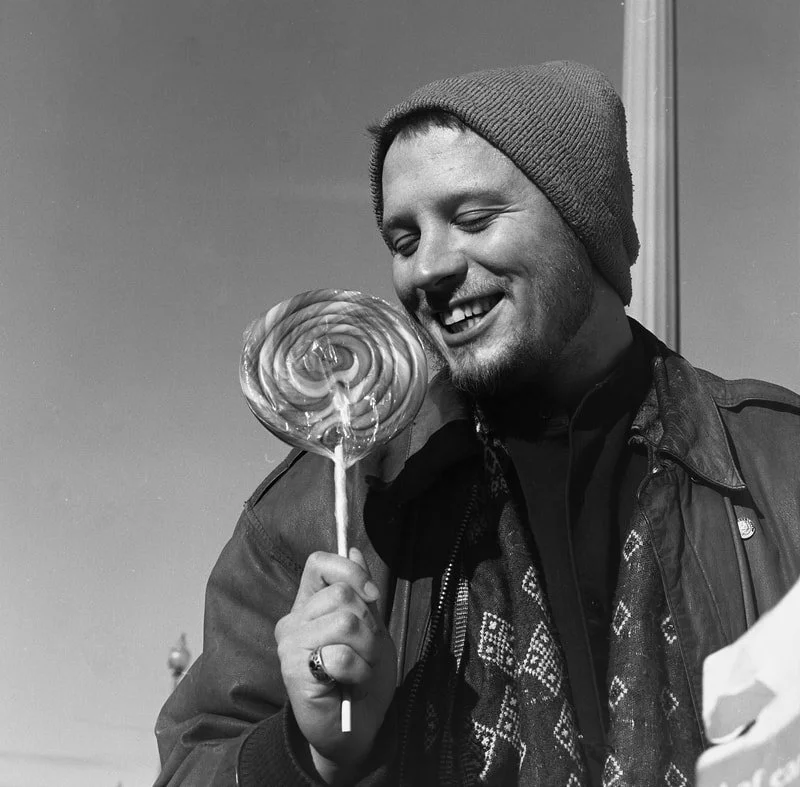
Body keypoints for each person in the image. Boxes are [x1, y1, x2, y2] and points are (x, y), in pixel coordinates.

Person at [154, 61, 800, 786]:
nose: (426, 268)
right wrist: (317, 751)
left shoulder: (779, 467)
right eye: (403, 239)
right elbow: (192, 760)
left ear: (581, 220)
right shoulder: (323, 510)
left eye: (472, 219)